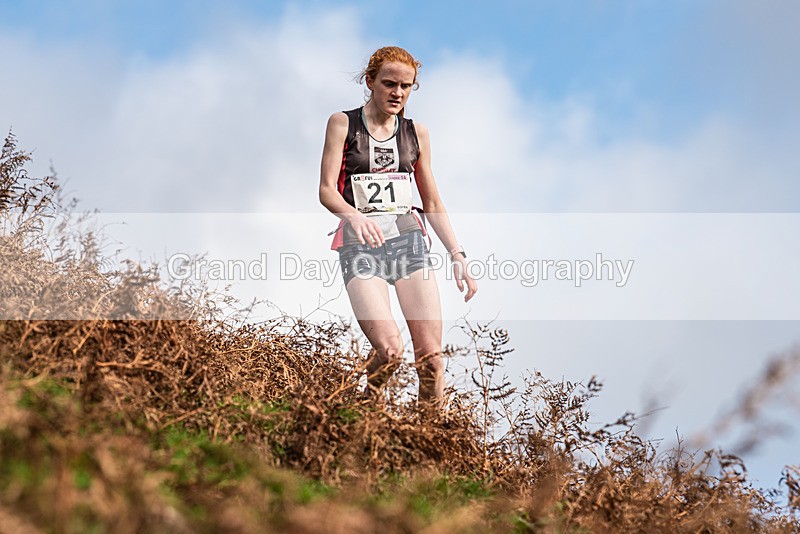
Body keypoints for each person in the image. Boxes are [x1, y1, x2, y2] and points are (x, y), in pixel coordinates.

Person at [319, 46, 477, 409]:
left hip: (409, 243)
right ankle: (366, 416)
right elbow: (327, 191)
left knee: (432, 361)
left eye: (407, 86)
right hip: (360, 245)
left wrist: (458, 255)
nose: (398, 93)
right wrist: (354, 216)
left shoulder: (416, 133)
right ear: (370, 81)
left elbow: (433, 202)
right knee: (390, 351)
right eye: (389, 84)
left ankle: (430, 444)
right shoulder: (343, 123)